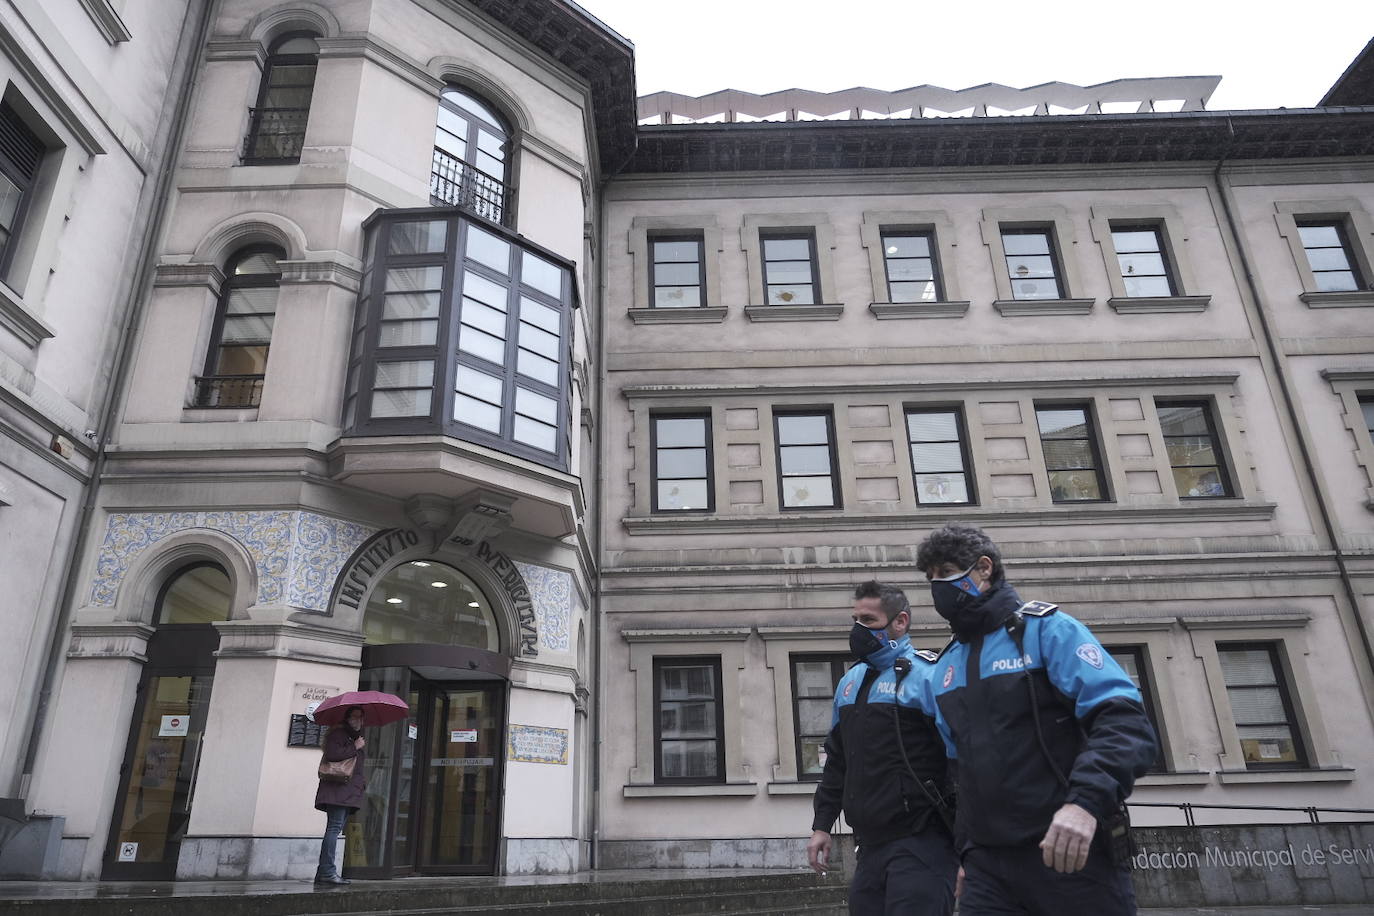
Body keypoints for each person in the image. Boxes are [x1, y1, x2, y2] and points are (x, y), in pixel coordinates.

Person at [913, 524, 1157, 915]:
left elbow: (1125, 724)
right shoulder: (947, 665)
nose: (937, 585)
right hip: (987, 869)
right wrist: (966, 853)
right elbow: (959, 772)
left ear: (984, 569)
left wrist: (1083, 805)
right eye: (930, 579)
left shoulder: (1047, 631)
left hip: (1068, 850)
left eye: (944, 572)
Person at [807, 580, 958, 916]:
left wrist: (969, 847)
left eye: (869, 621)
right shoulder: (849, 682)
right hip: (870, 845)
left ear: (900, 622)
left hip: (924, 842)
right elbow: (838, 763)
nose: (858, 629)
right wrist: (822, 825)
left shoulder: (928, 676)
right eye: (855, 619)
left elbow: (961, 762)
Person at [315, 705, 366, 885]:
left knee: (335, 829)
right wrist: (355, 746)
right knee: (334, 828)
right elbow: (332, 754)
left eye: (361, 717)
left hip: (345, 792)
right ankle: (327, 872)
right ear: (347, 718)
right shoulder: (339, 734)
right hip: (338, 790)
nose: (358, 720)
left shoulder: (352, 737)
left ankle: (324, 872)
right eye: (355, 716)